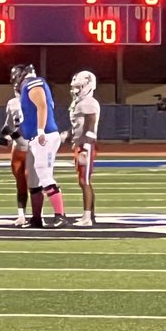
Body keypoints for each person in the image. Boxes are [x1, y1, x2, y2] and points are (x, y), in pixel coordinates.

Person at [11, 62, 68, 228]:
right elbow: (27, 122)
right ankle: (36, 218)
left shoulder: (32, 83)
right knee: (35, 180)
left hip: (44, 136)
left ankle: (60, 215)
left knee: (45, 175)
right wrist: (11, 135)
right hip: (36, 137)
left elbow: (41, 105)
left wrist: (41, 130)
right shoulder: (27, 89)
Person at [68, 69, 101, 226]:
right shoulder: (80, 103)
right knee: (83, 180)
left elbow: (90, 126)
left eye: (79, 87)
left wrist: (85, 146)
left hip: (85, 145)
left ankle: (87, 216)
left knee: (84, 180)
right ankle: (90, 215)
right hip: (80, 144)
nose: (75, 90)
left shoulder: (89, 103)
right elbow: (79, 127)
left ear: (88, 86)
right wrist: (67, 135)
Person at [0, 89, 29, 225]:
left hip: (33, 147)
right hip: (18, 148)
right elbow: (8, 125)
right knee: (20, 184)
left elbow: (35, 125)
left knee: (37, 184)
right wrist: (4, 136)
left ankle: (39, 215)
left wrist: (12, 135)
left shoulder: (36, 99)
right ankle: (21, 215)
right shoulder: (12, 103)